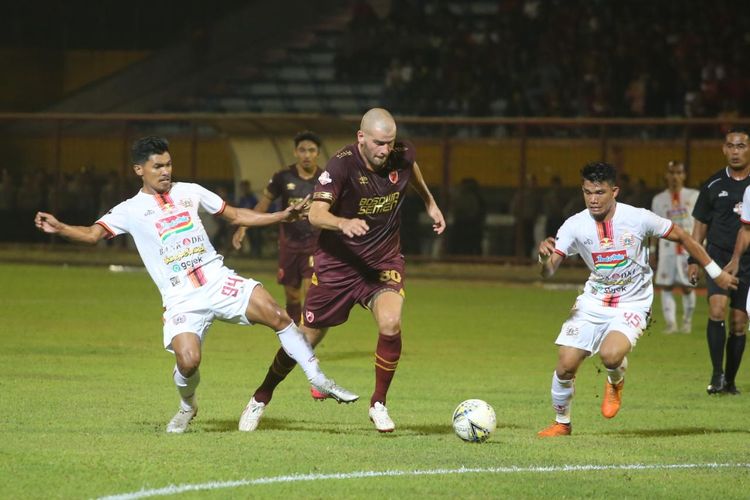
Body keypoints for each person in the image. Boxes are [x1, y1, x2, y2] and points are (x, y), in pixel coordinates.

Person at [33, 136, 358, 434]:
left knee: (278, 314)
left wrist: (281, 216)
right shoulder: (129, 210)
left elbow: (236, 215)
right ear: (139, 169)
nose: (165, 171)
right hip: (180, 295)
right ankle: (188, 406)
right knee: (188, 361)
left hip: (216, 278)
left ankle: (318, 377)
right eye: (157, 166)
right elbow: (92, 235)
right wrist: (61, 227)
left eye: (168, 164)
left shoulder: (190, 191)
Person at [238, 108, 446, 433]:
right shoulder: (341, 164)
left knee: (391, 322)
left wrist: (430, 202)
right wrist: (343, 222)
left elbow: (412, 169)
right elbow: (316, 213)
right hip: (338, 266)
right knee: (304, 340)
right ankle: (261, 396)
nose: (385, 150)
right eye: (378, 143)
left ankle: (378, 403)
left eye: (389, 143)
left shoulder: (400, 154)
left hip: (382, 262)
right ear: (361, 137)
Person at [537, 161, 736, 437]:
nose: (593, 199)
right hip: (594, 300)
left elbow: (682, 236)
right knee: (566, 363)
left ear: (615, 191)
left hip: (633, 301)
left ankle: (615, 381)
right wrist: (544, 259)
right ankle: (562, 423)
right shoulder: (574, 225)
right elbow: (549, 271)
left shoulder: (638, 218)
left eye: (599, 192)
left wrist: (715, 272)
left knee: (610, 355)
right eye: (587, 192)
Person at [233, 131, 324, 326]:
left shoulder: (325, 180)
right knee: (292, 297)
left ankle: (306, 337)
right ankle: (294, 336)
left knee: (310, 292)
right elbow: (264, 205)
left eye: (311, 150)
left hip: (315, 245)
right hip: (289, 245)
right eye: (302, 150)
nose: (306, 155)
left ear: (318, 153)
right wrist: (245, 225)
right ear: (295, 152)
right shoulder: (282, 177)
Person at [689, 128, 750, 395]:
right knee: (716, 310)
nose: (735, 151)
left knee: (738, 323)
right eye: (730, 146)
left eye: (741, 146)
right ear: (723, 149)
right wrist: (693, 258)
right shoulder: (713, 184)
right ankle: (716, 374)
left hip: (747, 262)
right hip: (717, 256)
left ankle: (731, 381)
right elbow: (700, 224)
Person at [650, 161, 700, 333]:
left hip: (688, 250)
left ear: (684, 175)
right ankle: (671, 324)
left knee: (687, 287)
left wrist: (701, 249)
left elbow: (700, 224)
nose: (675, 177)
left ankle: (687, 322)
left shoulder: (694, 196)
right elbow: (654, 228)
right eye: (671, 173)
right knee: (666, 286)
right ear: (666, 175)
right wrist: (652, 251)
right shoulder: (659, 199)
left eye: (678, 173)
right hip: (667, 250)